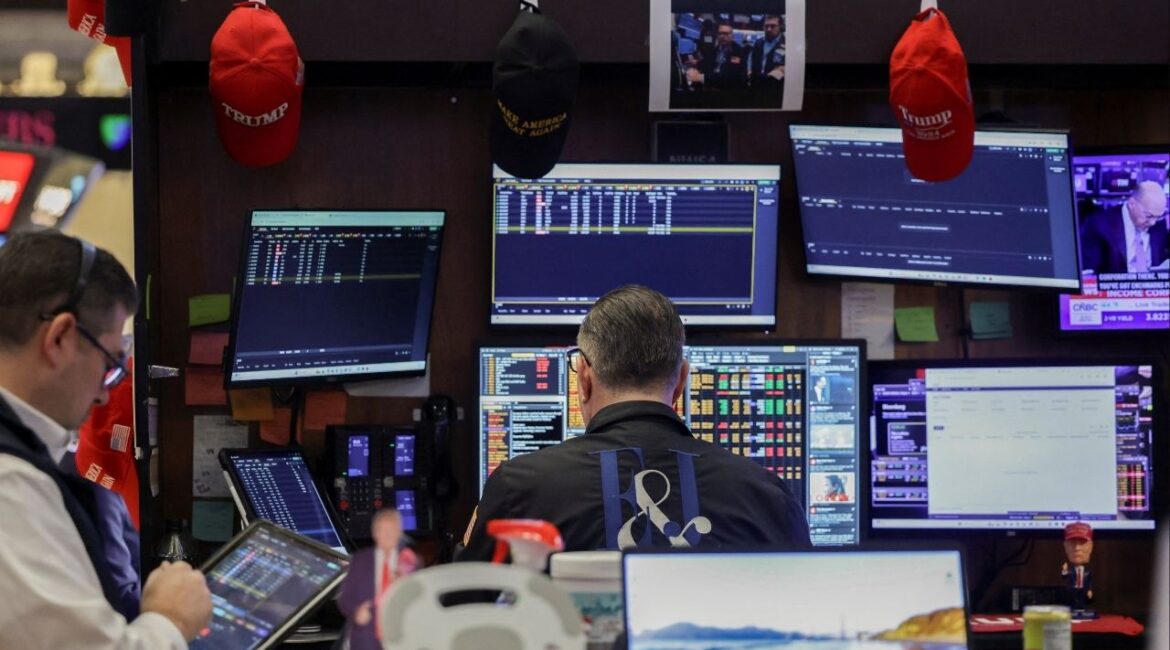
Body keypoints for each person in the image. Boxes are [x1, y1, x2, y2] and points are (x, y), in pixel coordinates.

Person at [460, 285, 810, 560]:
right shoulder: (767, 495)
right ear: (681, 381)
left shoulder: (518, 489)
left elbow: (464, 610)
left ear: (583, 377)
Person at [0, 231, 211, 649]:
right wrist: (170, 616)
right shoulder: (11, 488)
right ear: (59, 338)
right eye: (110, 363)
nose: (102, 392)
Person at [337, 508, 420, 650]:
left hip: (400, 637)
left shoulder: (410, 561)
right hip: (367, 638)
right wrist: (357, 612)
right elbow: (345, 598)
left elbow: (418, 600)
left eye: (392, 529)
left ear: (400, 532)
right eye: (383, 530)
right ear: (375, 533)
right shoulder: (360, 561)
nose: (387, 535)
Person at [1079, 180, 1169, 274]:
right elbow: (1090, 273)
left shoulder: (1159, 225)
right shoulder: (1099, 225)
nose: (1153, 223)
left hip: (1154, 287)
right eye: (1148, 216)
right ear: (1132, 203)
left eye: (1158, 217)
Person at [686, 22, 746, 89]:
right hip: (712, 85)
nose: (723, 36)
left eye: (726, 34)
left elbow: (729, 76)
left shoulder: (737, 51)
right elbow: (708, 62)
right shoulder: (715, 49)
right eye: (720, 33)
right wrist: (698, 66)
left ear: (732, 36)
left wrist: (701, 77)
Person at [1060, 521, 1096, 617]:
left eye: (1082, 543)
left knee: (1082, 602)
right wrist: (1064, 571)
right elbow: (1064, 576)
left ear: (1090, 547)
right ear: (1065, 547)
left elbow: (1090, 582)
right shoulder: (1071, 572)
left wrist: (1090, 590)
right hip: (1072, 592)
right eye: (1072, 543)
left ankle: (1081, 610)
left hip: (1083, 592)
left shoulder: (1087, 573)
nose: (1077, 548)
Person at [746, 14, 785, 88]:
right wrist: (749, 71)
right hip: (756, 84)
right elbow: (750, 59)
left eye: (773, 26)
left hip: (776, 86)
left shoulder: (787, 44)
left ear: (780, 27)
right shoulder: (758, 43)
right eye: (766, 26)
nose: (769, 29)